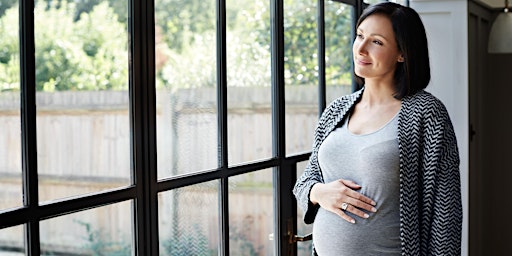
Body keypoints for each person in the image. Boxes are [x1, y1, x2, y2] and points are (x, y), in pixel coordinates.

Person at [292, 2, 462, 255]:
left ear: (402, 53)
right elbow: (306, 180)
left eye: (377, 42)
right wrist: (319, 192)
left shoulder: (427, 113)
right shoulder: (336, 110)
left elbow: (445, 211)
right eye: (360, 35)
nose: (361, 48)